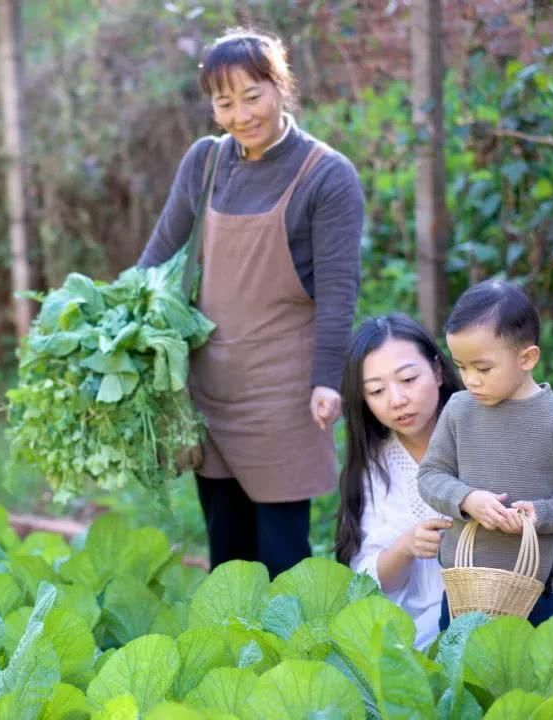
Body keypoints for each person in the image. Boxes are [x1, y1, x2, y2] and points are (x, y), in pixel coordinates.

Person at [137, 28, 364, 579]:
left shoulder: (326, 175)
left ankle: (291, 662)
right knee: (227, 552)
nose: (240, 114)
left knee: (283, 556)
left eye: (252, 95)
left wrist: (327, 380)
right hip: (209, 389)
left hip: (284, 396)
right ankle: (232, 659)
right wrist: (116, 329)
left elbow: (338, 292)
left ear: (280, 88)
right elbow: (157, 259)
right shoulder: (205, 163)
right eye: (224, 102)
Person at [338, 311, 553, 718]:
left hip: (520, 608)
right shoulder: (376, 467)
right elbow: (369, 582)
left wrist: (524, 527)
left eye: (408, 379)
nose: (396, 400)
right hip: (430, 627)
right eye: (375, 390)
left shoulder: (502, 426)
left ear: (439, 370)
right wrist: (405, 547)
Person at [417, 279, 553, 632]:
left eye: (483, 368)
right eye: (461, 366)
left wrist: (542, 513)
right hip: (465, 588)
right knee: (465, 680)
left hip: (540, 590)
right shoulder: (459, 410)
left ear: (527, 358)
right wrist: (467, 499)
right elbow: (431, 476)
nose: (470, 380)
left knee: (538, 678)